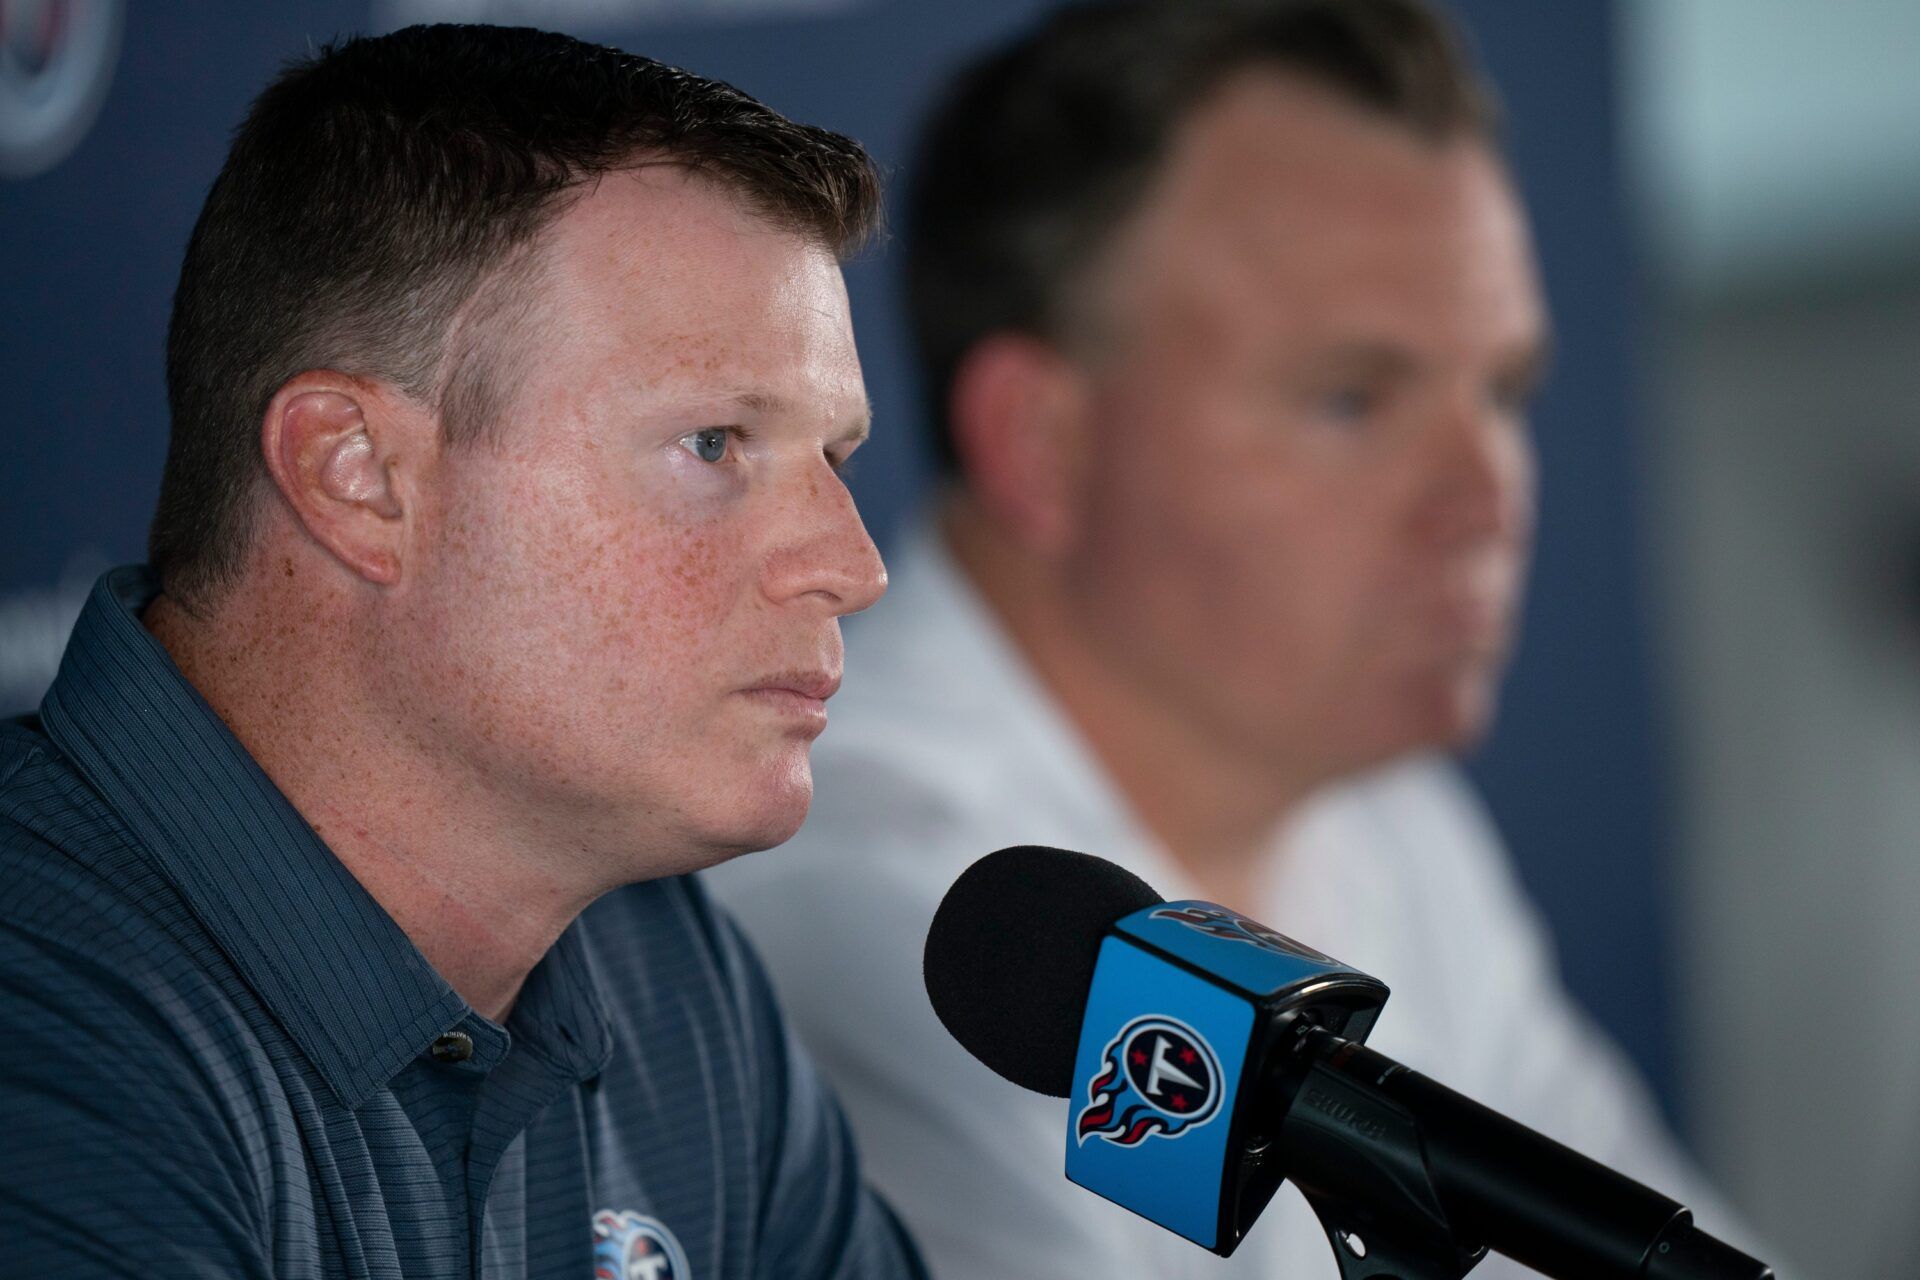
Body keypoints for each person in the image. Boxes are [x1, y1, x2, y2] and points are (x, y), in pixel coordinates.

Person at [705, 1, 1752, 1276]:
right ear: (1043, 442)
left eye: (1503, 391)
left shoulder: (1384, 818)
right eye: (1353, 395)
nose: (1490, 497)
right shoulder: (894, 910)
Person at [0, 24, 924, 1280]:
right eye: (714, 444)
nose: (854, 566)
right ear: (359, 476)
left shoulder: (659, 962)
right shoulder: (40, 1031)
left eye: (838, 460)